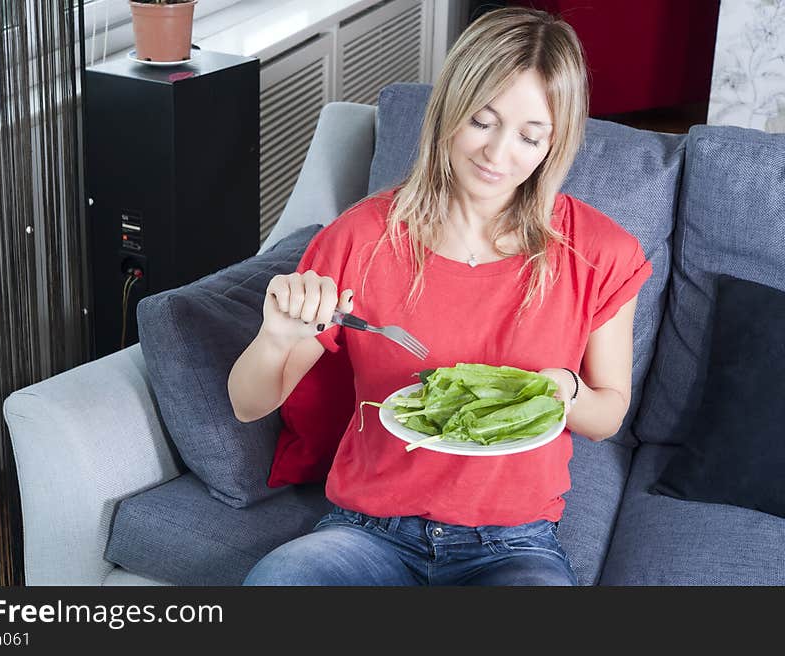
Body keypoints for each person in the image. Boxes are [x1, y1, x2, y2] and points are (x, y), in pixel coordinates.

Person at [228, 6, 652, 586]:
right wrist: (276, 337)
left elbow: (607, 413)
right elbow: (248, 405)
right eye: (482, 121)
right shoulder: (359, 239)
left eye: (531, 137)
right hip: (366, 529)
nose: (498, 155)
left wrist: (566, 391)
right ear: (449, 109)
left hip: (515, 544)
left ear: (556, 143)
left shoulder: (599, 253)